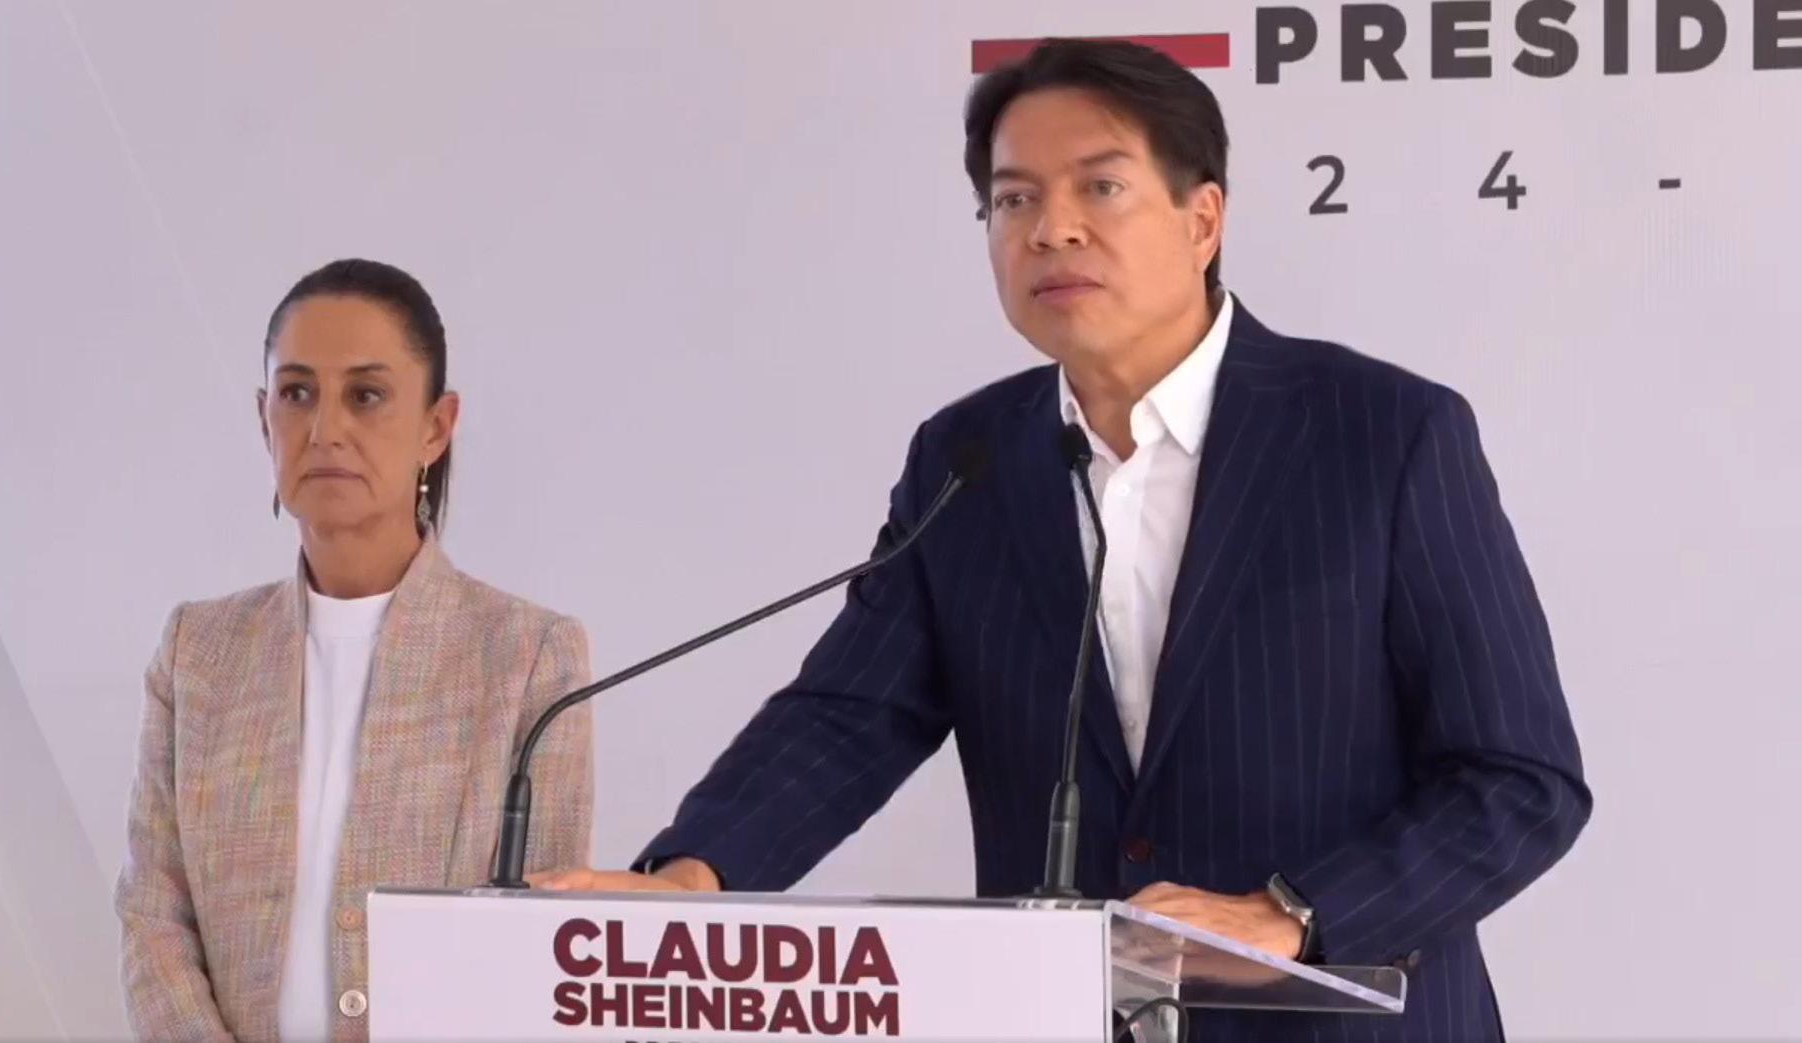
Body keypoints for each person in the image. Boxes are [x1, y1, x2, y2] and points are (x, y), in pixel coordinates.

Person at [534, 40, 1590, 1041]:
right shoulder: (967, 458)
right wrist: (693, 876)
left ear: (1201, 219)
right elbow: (850, 715)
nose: (1049, 229)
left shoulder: (1383, 433)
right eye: (1013, 200)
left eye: (1100, 187)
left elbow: (1516, 777)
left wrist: (1293, 912)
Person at [114, 259, 593, 1042]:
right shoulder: (197, 651)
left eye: (365, 395)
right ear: (263, 417)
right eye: (297, 393)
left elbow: (535, 948)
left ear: (436, 426)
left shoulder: (527, 656)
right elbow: (151, 914)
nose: (325, 428)